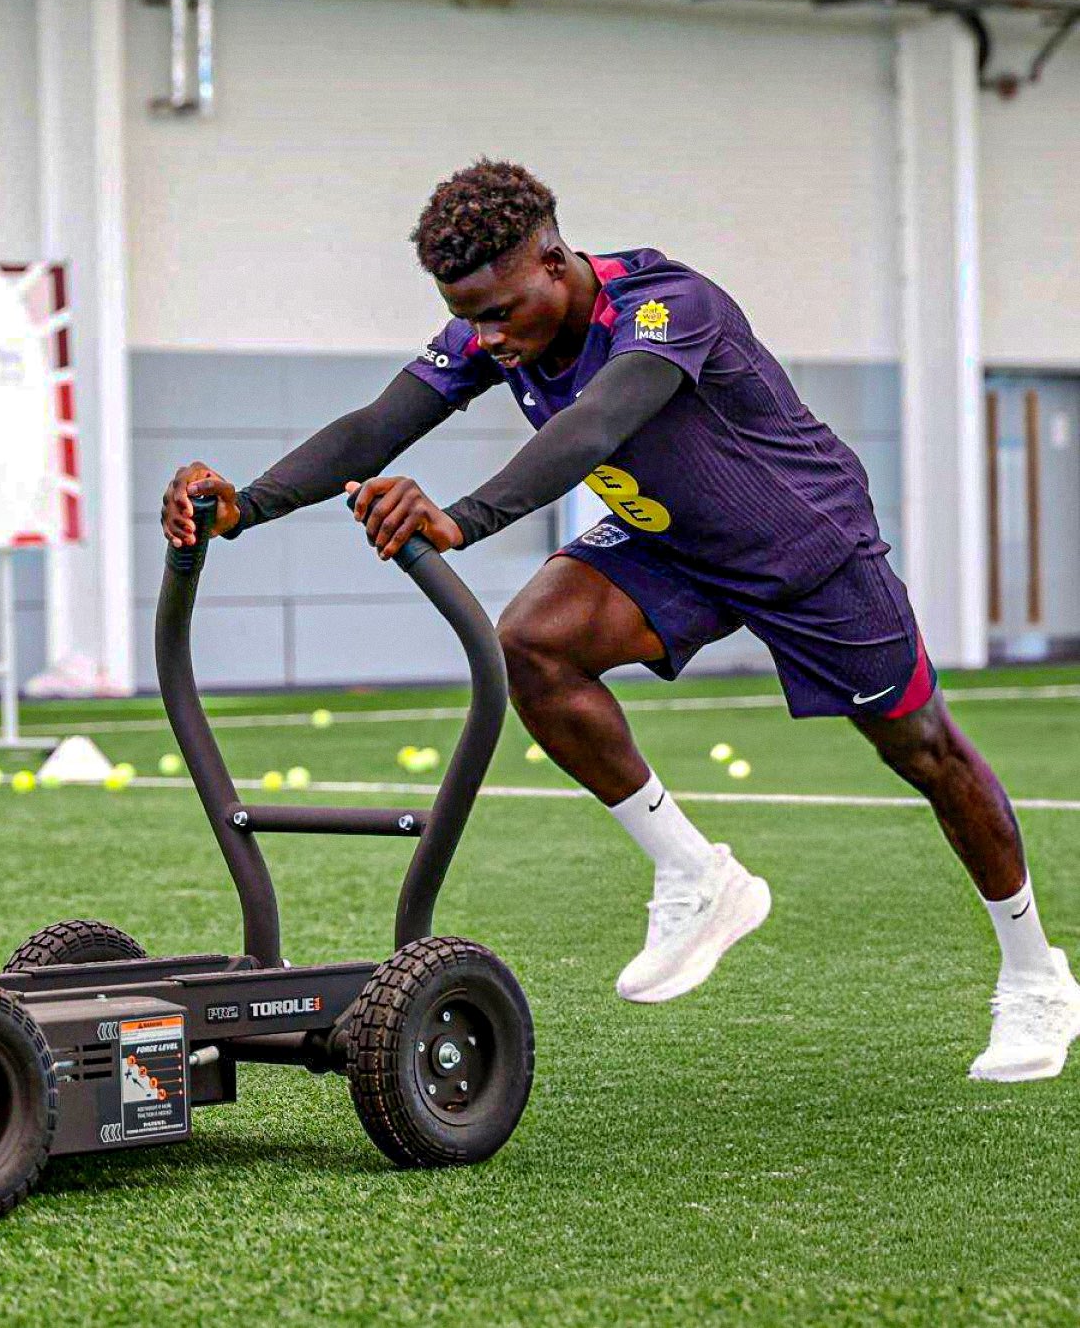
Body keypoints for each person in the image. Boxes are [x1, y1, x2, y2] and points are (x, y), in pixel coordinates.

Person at [161, 158, 1080, 1083]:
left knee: (922, 750)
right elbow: (376, 426)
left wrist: (465, 518)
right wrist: (246, 503)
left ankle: (1037, 974)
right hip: (671, 545)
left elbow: (593, 428)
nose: (486, 337)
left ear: (556, 263)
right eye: (468, 316)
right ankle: (697, 874)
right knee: (530, 646)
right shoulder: (497, 329)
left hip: (804, 546)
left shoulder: (668, 305)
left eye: (501, 312)